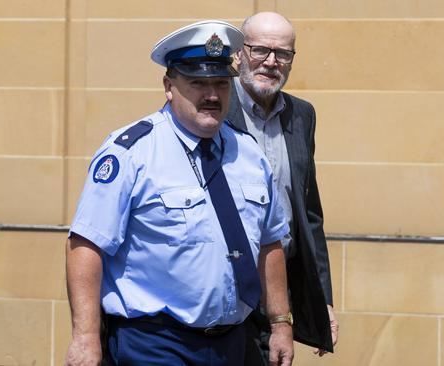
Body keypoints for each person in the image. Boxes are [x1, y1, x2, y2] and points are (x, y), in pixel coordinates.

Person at [64, 20, 294, 366]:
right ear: (169, 86)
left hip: (233, 342)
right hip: (154, 343)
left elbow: (270, 242)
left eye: (220, 83)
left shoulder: (248, 153)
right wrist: (84, 337)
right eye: (198, 84)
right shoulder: (132, 152)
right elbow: (86, 245)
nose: (212, 95)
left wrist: (280, 322)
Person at [228, 12, 339, 362]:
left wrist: (322, 300)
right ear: (239, 54)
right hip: (225, 287)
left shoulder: (301, 115)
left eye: (283, 54)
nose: (271, 62)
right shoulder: (213, 108)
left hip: (282, 286)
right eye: (260, 50)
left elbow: (309, 215)